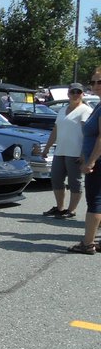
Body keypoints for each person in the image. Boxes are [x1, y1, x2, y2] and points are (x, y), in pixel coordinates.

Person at [42, 82, 92, 219]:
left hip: (75, 152)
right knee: (56, 179)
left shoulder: (85, 110)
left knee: (74, 182)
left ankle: (71, 209)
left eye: (78, 92)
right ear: (68, 94)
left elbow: (87, 133)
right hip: (60, 151)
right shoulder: (63, 110)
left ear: (82, 94)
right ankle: (60, 208)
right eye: (73, 92)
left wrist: (84, 153)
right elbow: (56, 130)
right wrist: (47, 148)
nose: (75, 94)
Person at [68, 68, 101, 254]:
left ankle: (88, 243)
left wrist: (91, 162)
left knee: (95, 201)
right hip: (95, 159)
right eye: (93, 82)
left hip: (98, 162)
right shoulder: (98, 105)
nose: (95, 86)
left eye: (100, 82)